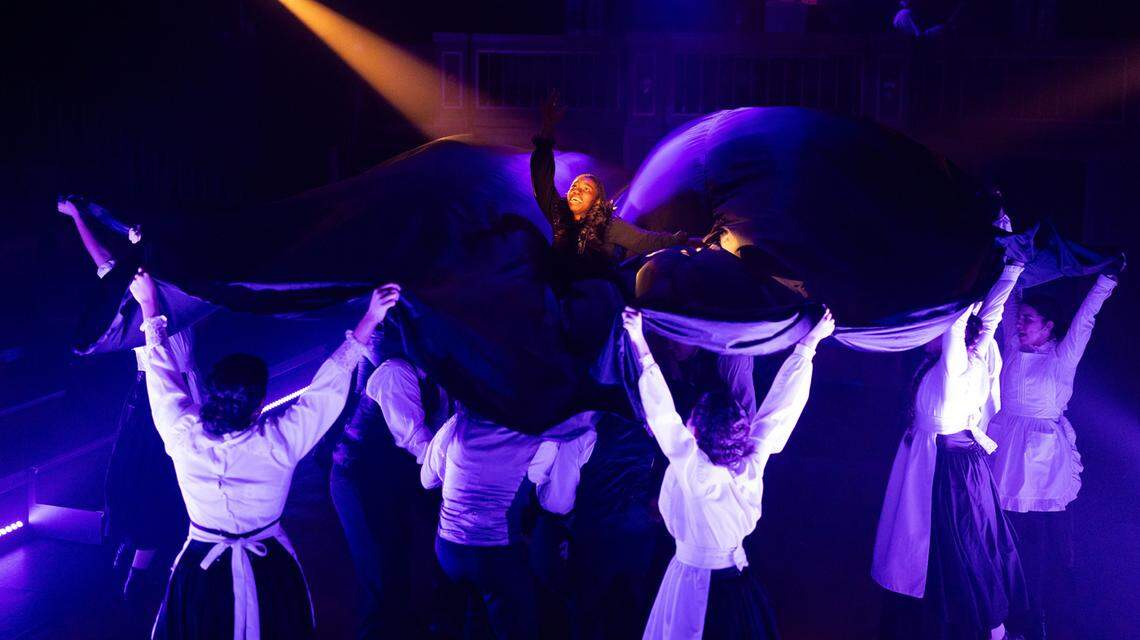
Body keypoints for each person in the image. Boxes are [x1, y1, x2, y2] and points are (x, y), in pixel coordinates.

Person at [129, 267, 400, 640]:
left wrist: (148, 303)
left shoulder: (182, 433)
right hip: (269, 569)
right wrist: (371, 316)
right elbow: (328, 387)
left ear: (212, 394)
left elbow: (160, 371)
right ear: (259, 404)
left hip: (200, 568)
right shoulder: (279, 441)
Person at [623, 304, 835, 639]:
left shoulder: (696, 471)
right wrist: (809, 345)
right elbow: (781, 410)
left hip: (694, 582)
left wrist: (639, 341)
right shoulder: (751, 462)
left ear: (696, 430)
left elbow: (663, 416)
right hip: (736, 582)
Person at [872, 261, 1027, 640]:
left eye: (932, 329)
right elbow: (991, 316)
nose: (923, 336)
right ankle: (948, 622)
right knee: (943, 547)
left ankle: (992, 628)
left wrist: (969, 283)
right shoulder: (966, 357)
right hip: (943, 462)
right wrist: (1012, 270)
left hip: (951, 469)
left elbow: (961, 323)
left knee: (963, 546)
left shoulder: (955, 365)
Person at [58, 196, 195, 606]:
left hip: (178, 393)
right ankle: (137, 553)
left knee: (157, 480)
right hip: (147, 394)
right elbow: (103, 260)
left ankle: (143, 562)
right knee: (130, 478)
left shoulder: (183, 288)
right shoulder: (135, 290)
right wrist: (77, 217)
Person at [986, 259, 1123, 640]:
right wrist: (1012, 262)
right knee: (1006, 539)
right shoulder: (1012, 347)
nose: (1020, 324)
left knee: (1042, 546)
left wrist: (1105, 281)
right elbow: (1008, 303)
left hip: (1044, 462)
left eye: (1029, 320)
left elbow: (1084, 320)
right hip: (1007, 453)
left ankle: (1043, 620)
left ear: (1048, 326)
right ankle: (1007, 619)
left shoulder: (1063, 356)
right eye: (1021, 319)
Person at [420, 406, 595, 640]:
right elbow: (549, 495)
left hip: (448, 550)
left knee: (475, 615)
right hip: (495, 553)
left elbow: (427, 479)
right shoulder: (539, 434)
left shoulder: (457, 423)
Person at [329, 354, 455, 639]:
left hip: (391, 476)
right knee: (380, 573)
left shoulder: (435, 375)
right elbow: (416, 441)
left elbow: (436, 433)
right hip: (358, 478)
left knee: (399, 561)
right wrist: (461, 475)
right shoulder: (396, 373)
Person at [532, 91, 689, 282]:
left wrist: (677, 239)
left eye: (586, 189)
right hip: (561, 291)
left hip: (595, 292)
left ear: (597, 201)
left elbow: (644, 241)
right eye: (574, 186)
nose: (577, 190)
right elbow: (541, 179)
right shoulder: (559, 216)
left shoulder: (609, 225)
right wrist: (547, 128)